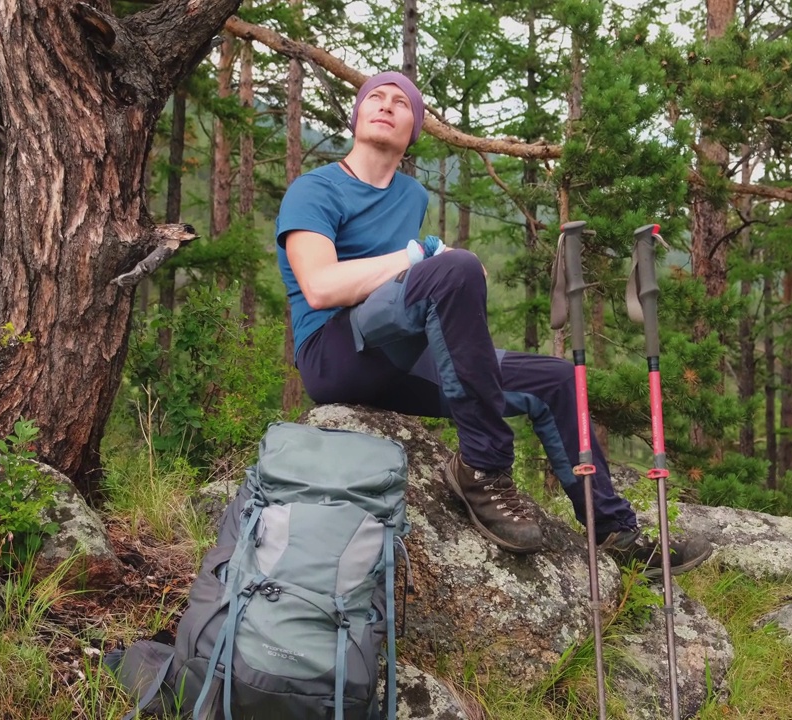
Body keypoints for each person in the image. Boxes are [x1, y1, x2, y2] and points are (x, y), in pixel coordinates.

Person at [274, 71, 710, 577]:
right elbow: (322, 286)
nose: (387, 105)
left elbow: (410, 292)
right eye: (375, 97)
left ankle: (613, 529)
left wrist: (441, 271)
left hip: (401, 355)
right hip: (337, 354)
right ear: (357, 115)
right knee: (452, 266)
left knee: (557, 381)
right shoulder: (316, 189)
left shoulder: (411, 196)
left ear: (414, 129)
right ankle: (481, 466)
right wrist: (423, 258)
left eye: (402, 102)